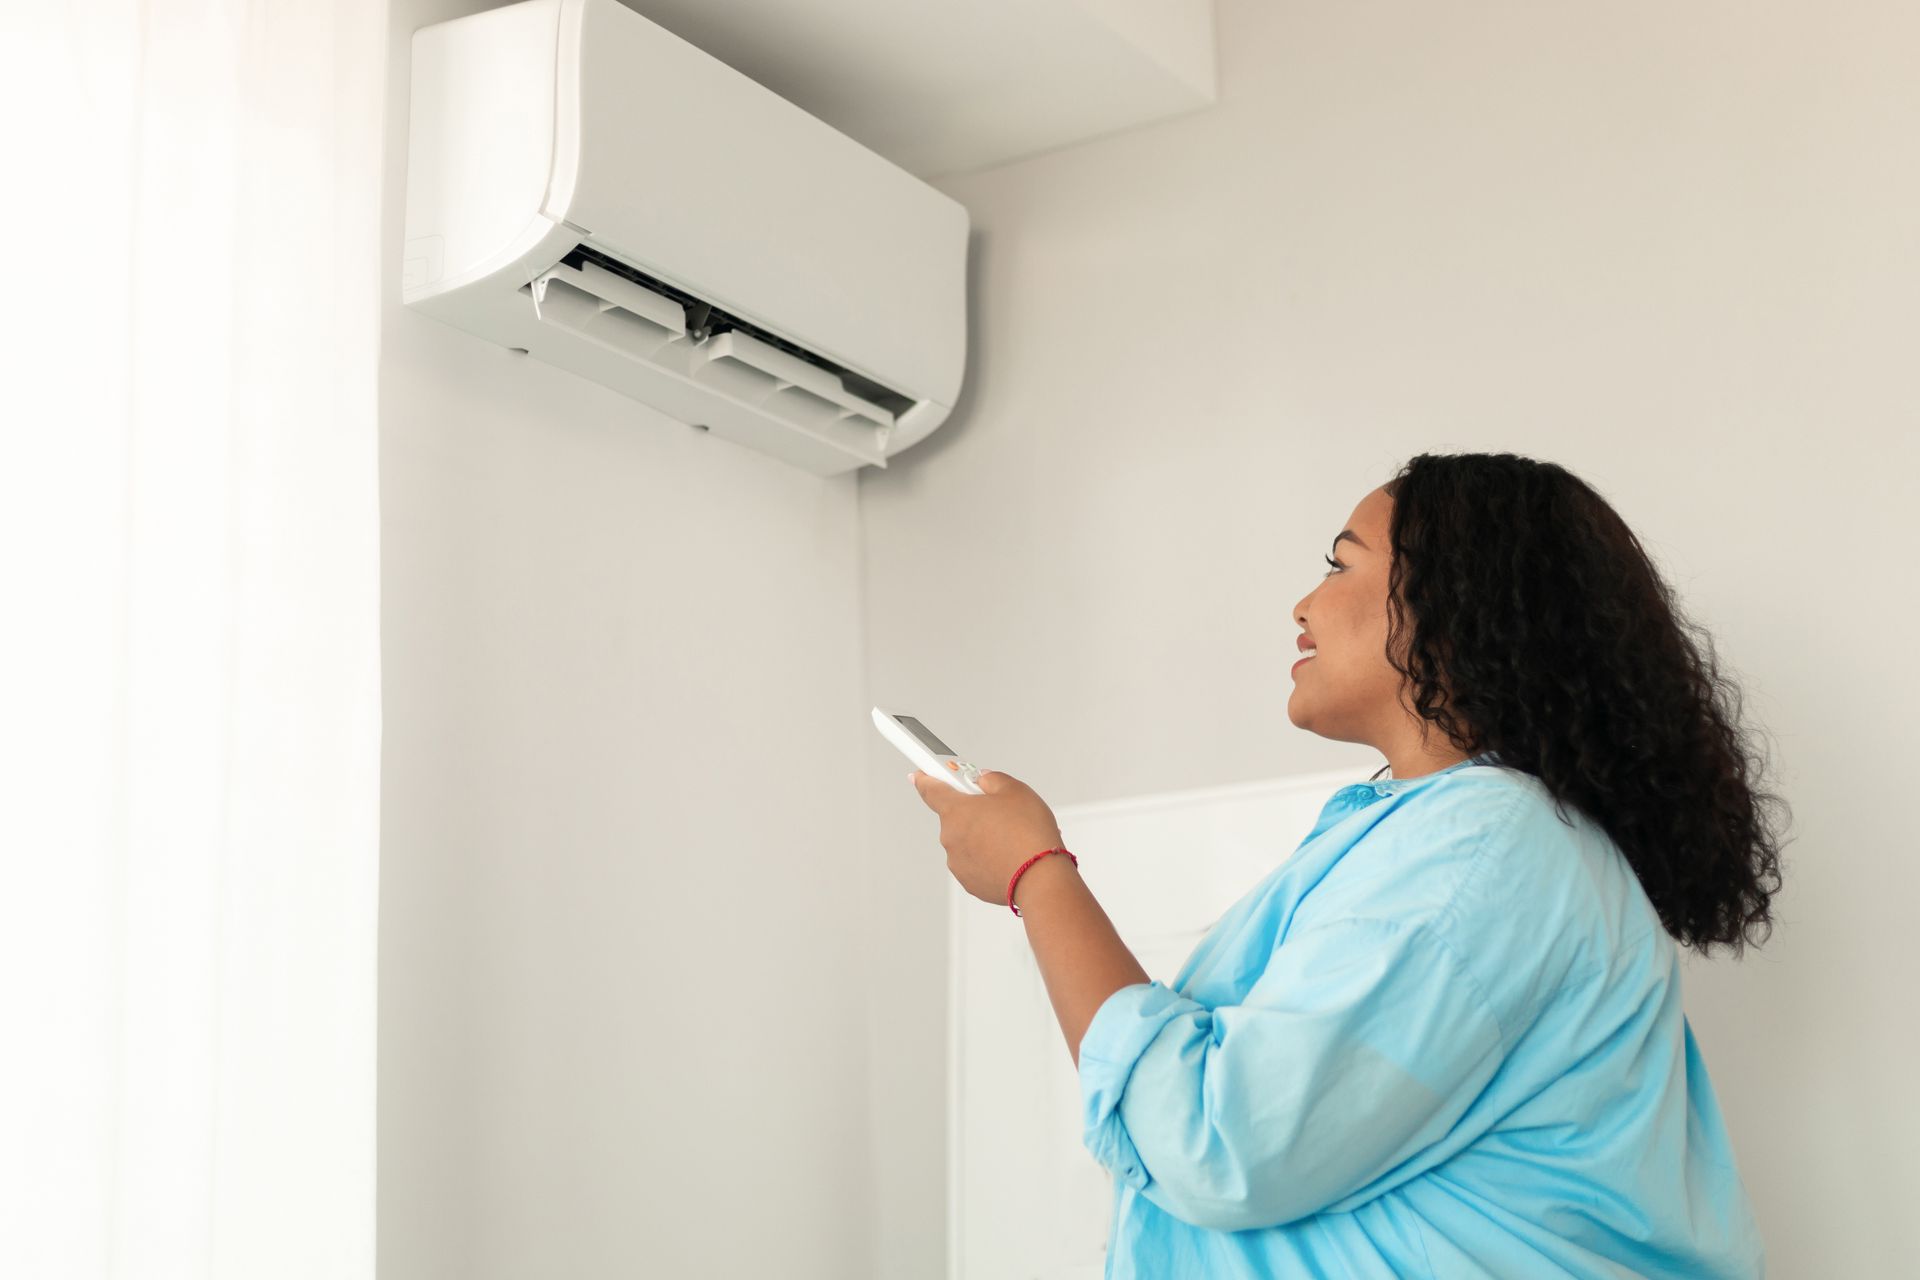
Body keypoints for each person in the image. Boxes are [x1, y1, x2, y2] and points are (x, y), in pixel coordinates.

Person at [912, 450, 1785, 1278]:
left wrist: (1037, 871)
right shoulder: (1462, 838)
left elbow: (1218, 1143)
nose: (1303, 605)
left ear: (1453, 605)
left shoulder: (1483, 849)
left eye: (1338, 567)